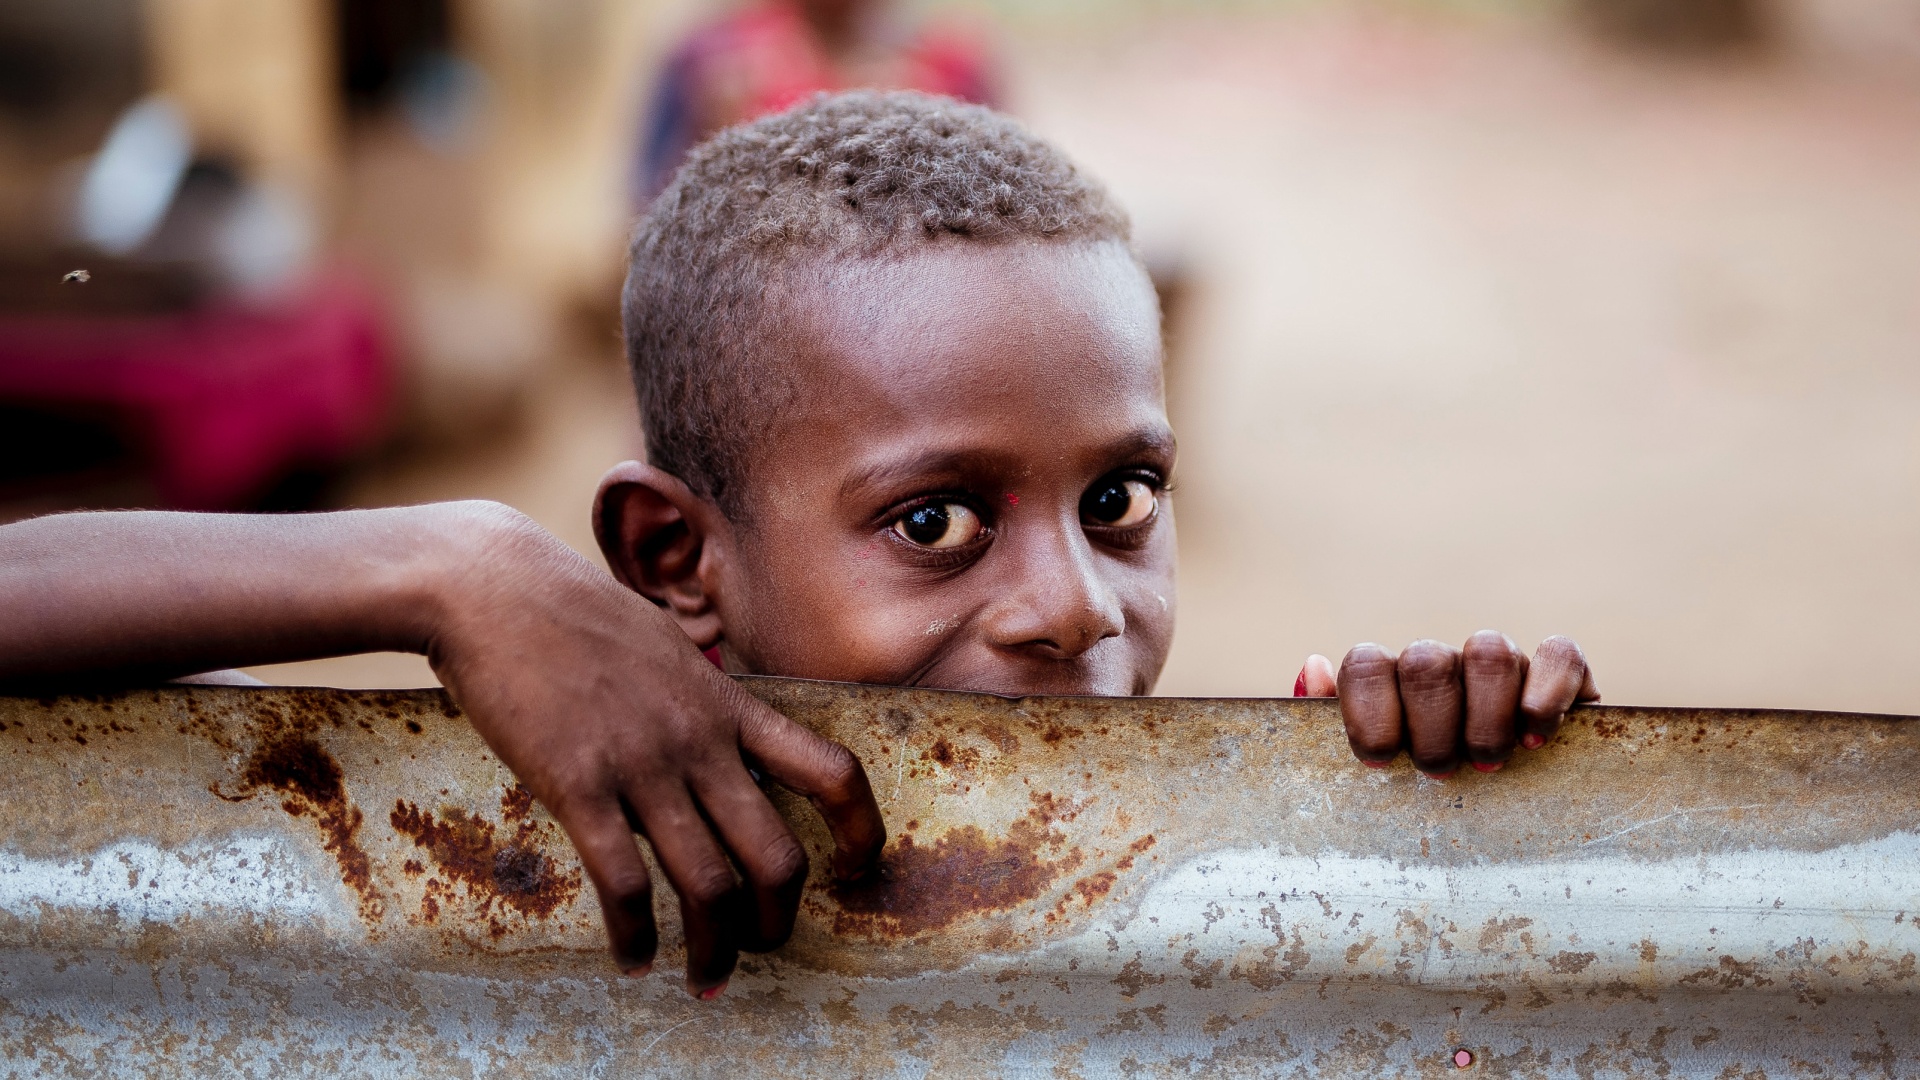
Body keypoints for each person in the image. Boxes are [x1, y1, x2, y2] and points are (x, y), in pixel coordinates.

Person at [0, 91, 1598, 1002]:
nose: (1070, 608)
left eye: (1119, 500)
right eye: (937, 522)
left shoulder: (1217, 852)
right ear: (673, 560)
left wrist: (1438, 828)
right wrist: (451, 566)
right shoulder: (494, 832)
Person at [636, 0, 996, 202]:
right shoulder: (715, 61)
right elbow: (651, 205)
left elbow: (999, 203)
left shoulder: (952, 66)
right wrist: (720, 141)